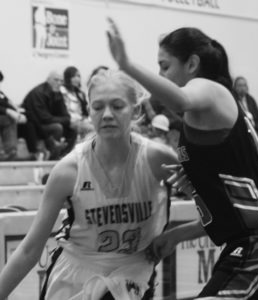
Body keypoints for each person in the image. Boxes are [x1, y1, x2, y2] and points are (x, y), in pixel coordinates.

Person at [106, 18, 258, 299]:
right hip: (247, 240)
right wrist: (177, 234)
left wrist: (126, 63)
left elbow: (180, 100)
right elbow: (230, 211)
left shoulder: (210, 90)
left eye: (165, 66)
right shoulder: (203, 117)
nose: (160, 75)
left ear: (191, 64)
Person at [0, 69, 178, 300]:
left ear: (135, 110)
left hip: (134, 271)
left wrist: (181, 234)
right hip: (75, 274)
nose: (106, 114)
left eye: (117, 106)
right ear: (88, 112)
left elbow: (219, 207)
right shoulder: (68, 170)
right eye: (97, 107)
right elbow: (29, 249)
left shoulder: (158, 158)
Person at [22, 71, 77, 160]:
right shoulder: (38, 93)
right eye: (56, 80)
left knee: (73, 129)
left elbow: (66, 115)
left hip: (49, 122)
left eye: (61, 81)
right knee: (57, 127)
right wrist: (63, 120)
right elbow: (44, 118)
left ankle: (63, 155)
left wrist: (65, 120)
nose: (59, 83)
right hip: (35, 126)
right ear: (48, 80)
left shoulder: (57, 93)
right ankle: (53, 155)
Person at [61, 66, 94, 139]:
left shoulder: (79, 93)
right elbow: (64, 111)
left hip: (82, 119)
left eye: (78, 76)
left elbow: (85, 110)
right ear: (68, 78)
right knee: (94, 130)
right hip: (70, 121)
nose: (77, 79)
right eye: (74, 76)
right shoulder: (62, 91)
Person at [0, 70, 26, 160]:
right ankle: (10, 151)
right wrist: (8, 111)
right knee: (8, 119)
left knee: (30, 118)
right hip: (4, 117)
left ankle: (36, 151)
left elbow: (8, 103)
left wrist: (17, 111)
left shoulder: (1, 94)